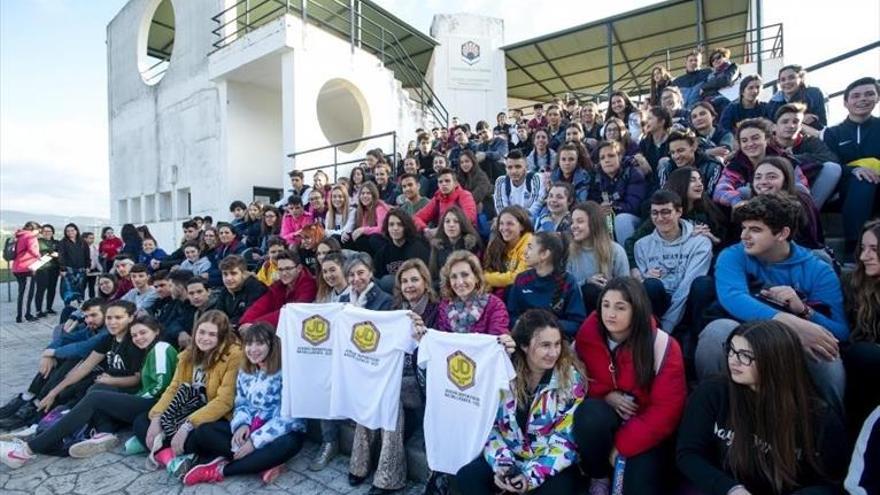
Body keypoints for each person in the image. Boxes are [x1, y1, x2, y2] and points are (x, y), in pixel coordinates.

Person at [695, 194, 849, 414]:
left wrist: (804, 311)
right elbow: (732, 297)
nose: (744, 236)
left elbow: (841, 332)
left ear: (782, 233)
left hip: (793, 344)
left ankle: (831, 426)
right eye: (744, 228)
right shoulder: (733, 255)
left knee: (824, 351)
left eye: (755, 230)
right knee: (716, 332)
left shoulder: (817, 269)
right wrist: (787, 321)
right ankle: (715, 411)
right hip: (747, 333)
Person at [678, 321, 848, 495]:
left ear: (775, 361)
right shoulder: (713, 392)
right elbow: (689, 453)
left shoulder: (818, 417)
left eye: (745, 355)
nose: (733, 360)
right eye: (731, 349)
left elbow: (831, 482)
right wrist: (730, 489)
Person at [0, 315, 177, 467]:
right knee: (99, 391)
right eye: (135, 335)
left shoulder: (161, 348)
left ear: (156, 331)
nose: (138, 338)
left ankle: (26, 451)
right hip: (149, 401)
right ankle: (103, 433)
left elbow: (160, 387)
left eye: (143, 333)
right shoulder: (149, 350)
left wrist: (126, 399)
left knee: (96, 398)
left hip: (156, 404)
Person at [573, 277, 686, 495]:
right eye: (605, 305)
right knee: (589, 414)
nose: (610, 314)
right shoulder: (587, 335)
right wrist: (604, 395)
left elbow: (667, 411)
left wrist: (623, 445)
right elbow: (577, 381)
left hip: (645, 427)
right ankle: (598, 475)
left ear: (637, 309)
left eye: (620, 307)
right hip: (606, 419)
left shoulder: (662, 345)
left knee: (639, 486)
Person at [456, 309, 586, 494]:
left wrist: (529, 477)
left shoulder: (570, 380)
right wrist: (503, 466)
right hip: (510, 455)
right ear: (524, 345)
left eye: (557, 344)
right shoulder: (503, 374)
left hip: (548, 462)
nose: (553, 352)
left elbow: (565, 440)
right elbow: (489, 426)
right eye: (545, 345)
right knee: (467, 477)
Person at [180, 323, 304, 486]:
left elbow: (290, 416)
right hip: (251, 426)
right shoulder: (246, 371)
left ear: (272, 345)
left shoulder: (287, 371)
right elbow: (242, 402)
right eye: (249, 344)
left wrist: (255, 441)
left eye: (259, 343)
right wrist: (241, 424)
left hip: (279, 432)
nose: (253, 349)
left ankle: (220, 470)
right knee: (204, 431)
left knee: (288, 445)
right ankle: (263, 464)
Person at [133, 310, 242, 478]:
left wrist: (187, 426)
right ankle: (169, 457)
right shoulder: (188, 355)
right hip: (188, 409)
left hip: (214, 415)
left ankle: (164, 448)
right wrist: (156, 418)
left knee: (202, 434)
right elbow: (174, 388)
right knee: (142, 420)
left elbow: (224, 401)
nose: (205, 338)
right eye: (202, 332)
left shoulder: (233, 356)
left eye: (212, 334)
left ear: (221, 336)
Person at [0, 299, 108, 431]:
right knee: (54, 361)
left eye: (93, 315)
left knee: (70, 360)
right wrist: (47, 354)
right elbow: (65, 338)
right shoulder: (90, 329)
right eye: (86, 316)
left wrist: (54, 352)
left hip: (99, 373)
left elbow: (82, 347)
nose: (89, 320)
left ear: (105, 314)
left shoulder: (106, 333)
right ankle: (27, 398)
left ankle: (37, 407)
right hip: (85, 366)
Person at [632, 190, 713, 332]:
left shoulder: (700, 243)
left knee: (703, 284)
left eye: (666, 212)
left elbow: (687, 286)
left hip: (688, 301)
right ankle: (650, 333)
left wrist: (668, 324)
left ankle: (696, 337)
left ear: (679, 212)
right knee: (650, 285)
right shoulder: (641, 246)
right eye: (655, 213)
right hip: (660, 302)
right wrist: (644, 277)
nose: (660, 218)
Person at [822, 77, 880, 259]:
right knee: (863, 180)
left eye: (869, 94)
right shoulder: (833, 133)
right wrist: (854, 170)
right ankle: (854, 247)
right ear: (846, 102)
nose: (862, 99)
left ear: (877, 98)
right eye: (856, 96)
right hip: (847, 188)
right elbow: (830, 162)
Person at [713, 118, 808, 208]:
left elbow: (802, 186)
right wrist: (737, 201)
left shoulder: (785, 160)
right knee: (744, 192)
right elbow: (720, 190)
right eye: (744, 141)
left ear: (766, 139)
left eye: (755, 138)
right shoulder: (735, 165)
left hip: (786, 206)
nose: (750, 144)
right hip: (753, 208)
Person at [507, 232, 586, 338]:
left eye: (530, 247)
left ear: (544, 254)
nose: (525, 252)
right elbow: (511, 315)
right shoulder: (521, 279)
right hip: (526, 338)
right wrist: (524, 327)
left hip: (556, 340)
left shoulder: (568, 282)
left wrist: (545, 327)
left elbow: (577, 323)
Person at [842, 220, 880, 429]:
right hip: (861, 362)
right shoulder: (852, 283)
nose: (865, 256)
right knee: (866, 354)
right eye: (863, 248)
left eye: (874, 249)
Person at [772, 102, 842, 209]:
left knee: (833, 168)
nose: (790, 126)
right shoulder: (767, 144)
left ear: (801, 127)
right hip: (777, 189)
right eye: (785, 122)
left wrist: (795, 158)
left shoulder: (810, 141)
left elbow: (831, 159)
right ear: (775, 126)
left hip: (809, 187)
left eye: (796, 122)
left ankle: (809, 212)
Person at [750, 156, 827, 253]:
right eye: (758, 177)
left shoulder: (799, 202)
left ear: (786, 179)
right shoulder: (753, 205)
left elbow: (808, 242)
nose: (763, 182)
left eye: (772, 177)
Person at [566, 201, 630, 314]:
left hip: (610, 309)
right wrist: (586, 282)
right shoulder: (569, 252)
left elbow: (627, 289)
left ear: (594, 223)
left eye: (580, 221)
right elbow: (565, 289)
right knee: (589, 290)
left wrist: (608, 287)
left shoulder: (616, 251)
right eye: (572, 222)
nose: (573, 226)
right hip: (577, 309)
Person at [436, 250, 509, 334]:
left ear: (477, 277)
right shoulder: (444, 306)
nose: (460, 282)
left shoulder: (495, 305)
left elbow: (496, 340)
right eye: (454, 277)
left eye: (465, 275)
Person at [589, 140, 647, 245]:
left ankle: (627, 256)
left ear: (619, 157)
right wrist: (599, 209)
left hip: (632, 219)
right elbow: (592, 203)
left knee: (621, 220)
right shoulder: (597, 177)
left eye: (611, 156)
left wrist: (611, 207)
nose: (606, 160)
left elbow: (633, 206)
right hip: (607, 218)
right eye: (602, 158)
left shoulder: (633, 173)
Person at [240, 251, 317, 328]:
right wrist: (243, 322)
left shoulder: (309, 286)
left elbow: (290, 313)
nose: (284, 273)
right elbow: (260, 305)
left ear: (299, 268)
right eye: (280, 269)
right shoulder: (278, 285)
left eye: (288, 269)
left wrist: (254, 325)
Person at [372, 209, 430, 291]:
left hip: (414, 290)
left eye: (399, 225)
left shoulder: (418, 247)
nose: (395, 228)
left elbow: (425, 277)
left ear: (406, 227)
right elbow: (377, 276)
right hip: (391, 295)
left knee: (387, 281)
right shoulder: (384, 252)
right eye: (391, 225)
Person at [656, 129, 723, 196]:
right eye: (672, 152)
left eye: (680, 151)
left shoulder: (712, 167)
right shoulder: (667, 166)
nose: (676, 156)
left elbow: (711, 198)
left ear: (694, 147)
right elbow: (664, 196)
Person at [484, 206, 534, 293]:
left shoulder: (529, 244)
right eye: (501, 223)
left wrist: (486, 278)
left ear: (522, 226)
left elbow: (518, 277)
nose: (504, 228)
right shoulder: (497, 242)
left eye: (510, 224)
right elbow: (489, 268)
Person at [414, 168, 478, 235]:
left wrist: (442, 229)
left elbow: (469, 217)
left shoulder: (465, 195)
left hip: (464, 234)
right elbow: (417, 217)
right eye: (440, 182)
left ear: (455, 183)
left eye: (447, 181)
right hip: (443, 236)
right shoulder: (437, 198)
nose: (443, 184)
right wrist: (426, 230)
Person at [766, 64, 828, 131]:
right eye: (783, 80)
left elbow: (822, 122)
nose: (787, 82)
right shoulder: (773, 102)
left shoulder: (814, 93)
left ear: (801, 78)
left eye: (791, 78)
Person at [214, 255, 268, 329]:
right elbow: (218, 314)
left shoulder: (257, 289)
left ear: (243, 274)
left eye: (233, 273)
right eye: (225, 274)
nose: (228, 278)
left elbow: (248, 317)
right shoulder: (225, 291)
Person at [494, 150, 545, 218]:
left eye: (518, 167)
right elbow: (501, 208)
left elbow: (535, 207)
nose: (514, 171)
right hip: (509, 221)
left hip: (530, 222)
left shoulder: (535, 178)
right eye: (510, 167)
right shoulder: (501, 181)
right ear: (505, 169)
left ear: (526, 167)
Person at [152, 270, 197, 348]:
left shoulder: (193, 305)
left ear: (179, 287)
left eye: (171, 286)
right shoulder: (176, 303)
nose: (169, 289)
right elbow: (165, 323)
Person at [343, 182, 389, 252]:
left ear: (374, 195)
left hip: (380, 242)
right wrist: (345, 233)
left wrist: (363, 230)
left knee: (364, 239)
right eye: (363, 193)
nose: (365, 196)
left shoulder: (380, 208)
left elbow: (382, 229)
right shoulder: (362, 210)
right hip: (367, 242)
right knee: (346, 238)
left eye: (368, 193)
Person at [633, 106, 672, 188]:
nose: (646, 121)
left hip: (670, 185)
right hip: (649, 184)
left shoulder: (672, 140)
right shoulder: (644, 142)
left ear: (661, 122)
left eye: (650, 118)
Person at [12, 221, 42, 323]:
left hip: (17, 267)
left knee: (22, 292)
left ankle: (23, 314)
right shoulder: (30, 236)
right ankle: (24, 316)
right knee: (26, 294)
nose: (38, 233)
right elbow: (34, 251)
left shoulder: (19, 235)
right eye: (38, 231)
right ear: (33, 229)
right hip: (26, 268)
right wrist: (40, 257)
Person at [58, 223, 91, 308]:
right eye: (68, 231)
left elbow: (87, 255)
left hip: (81, 268)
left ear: (76, 231)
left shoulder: (83, 242)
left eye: (72, 230)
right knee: (67, 288)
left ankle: (81, 304)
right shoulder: (63, 242)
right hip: (68, 269)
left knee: (81, 287)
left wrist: (88, 266)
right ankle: (67, 305)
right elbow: (61, 256)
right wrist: (62, 269)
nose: (70, 232)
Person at [699, 47, 739, 114]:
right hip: (712, 102)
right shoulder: (710, 76)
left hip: (727, 100)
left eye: (718, 57)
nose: (715, 60)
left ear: (725, 57)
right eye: (713, 60)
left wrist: (705, 87)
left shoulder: (733, 67)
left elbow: (726, 80)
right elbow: (704, 93)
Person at [456, 150, 493, 220]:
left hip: (484, 207)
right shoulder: (460, 177)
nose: (464, 164)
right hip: (465, 206)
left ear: (473, 162)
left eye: (467, 161)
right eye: (462, 162)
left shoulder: (481, 176)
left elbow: (476, 197)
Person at [34, 224, 60, 318]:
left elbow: (60, 254)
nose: (47, 233)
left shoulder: (56, 242)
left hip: (54, 269)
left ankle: (49, 308)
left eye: (49, 231)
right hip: (41, 269)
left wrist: (51, 254)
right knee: (41, 290)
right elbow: (37, 254)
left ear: (53, 232)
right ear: (42, 232)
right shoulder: (38, 242)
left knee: (52, 289)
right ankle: (38, 310)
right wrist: (53, 254)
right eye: (45, 231)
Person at [82, 232, 101, 298]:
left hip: (93, 270)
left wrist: (100, 269)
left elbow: (96, 259)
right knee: (82, 287)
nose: (92, 240)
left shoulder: (95, 248)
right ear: (85, 239)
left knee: (92, 287)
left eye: (93, 238)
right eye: (90, 238)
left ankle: (92, 301)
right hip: (84, 270)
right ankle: (81, 302)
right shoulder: (80, 248)